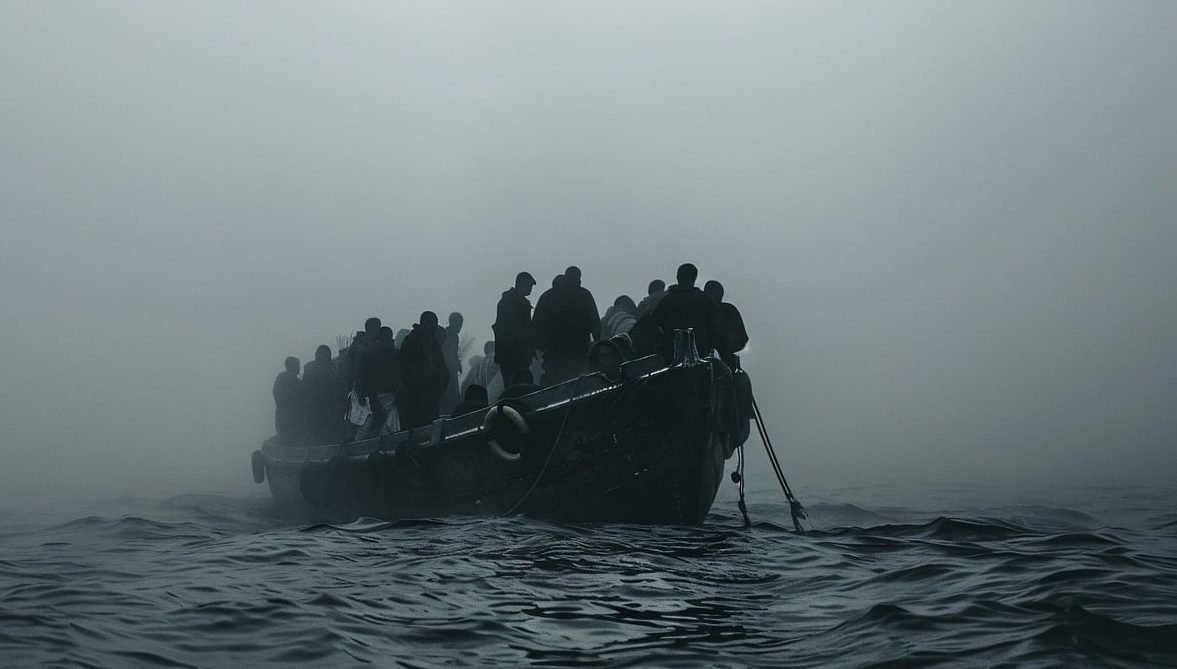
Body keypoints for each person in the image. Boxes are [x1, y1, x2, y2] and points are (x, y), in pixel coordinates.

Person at [532, 268, 601, 385]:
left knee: (555, 386)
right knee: (579, 384)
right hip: (579, 349)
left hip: (553, 353)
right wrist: (597, 342)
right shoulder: (584, 295)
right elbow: (594, 320)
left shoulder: (547, 297)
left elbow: (536, 325)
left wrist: (540, 346)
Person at [650, 263, 720, 361]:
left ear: (678, 277)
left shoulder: (667, 300)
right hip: (700, 355)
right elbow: (716, 324)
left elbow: (654, 323)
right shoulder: (704, 299)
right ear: (694, 278)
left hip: (670, 355)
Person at [396, 311, 450, 428]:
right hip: (413, 396)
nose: (433, 328)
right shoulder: (411, 340)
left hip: (429, 396)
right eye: (432, 325)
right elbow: (403, 369)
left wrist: (440, 389)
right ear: (425, 324)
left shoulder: (432, 342)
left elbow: (442, 368)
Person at [493, 271, 537, 388]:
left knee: (513, 386)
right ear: (522, 284)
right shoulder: (514, 303)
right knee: (518, 386)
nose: (531, 289)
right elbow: (517, 330)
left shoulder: (508, 302)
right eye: (529, 285)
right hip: (514, 355)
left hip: (511, 355)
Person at [302, 345, 347, 444]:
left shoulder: (310, 367)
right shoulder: (330, 368)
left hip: (321, 407)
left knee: (321, 434)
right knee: (324, 433)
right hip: (322, 406)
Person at [704, 280, 750, 370]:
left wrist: (724, 347)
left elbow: (742, 339)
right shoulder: (728, 310)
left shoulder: (728, 311)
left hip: (725, 361)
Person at [272, 356, 305, 445]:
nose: (299, 368)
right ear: (291, 367)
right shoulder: (290, 382)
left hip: (284, 421)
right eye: (297, 365)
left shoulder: (281, 379)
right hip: (291, 422)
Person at [439, 312, 464, 414]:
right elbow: (447, 354)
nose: (460, 327)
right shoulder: (447, 335)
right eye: (459, 324)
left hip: (451, 371)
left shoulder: (454, 336)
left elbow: (453, 354)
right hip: (447, 372)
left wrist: (457, 363)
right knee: (450, 398)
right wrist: (455, 364)